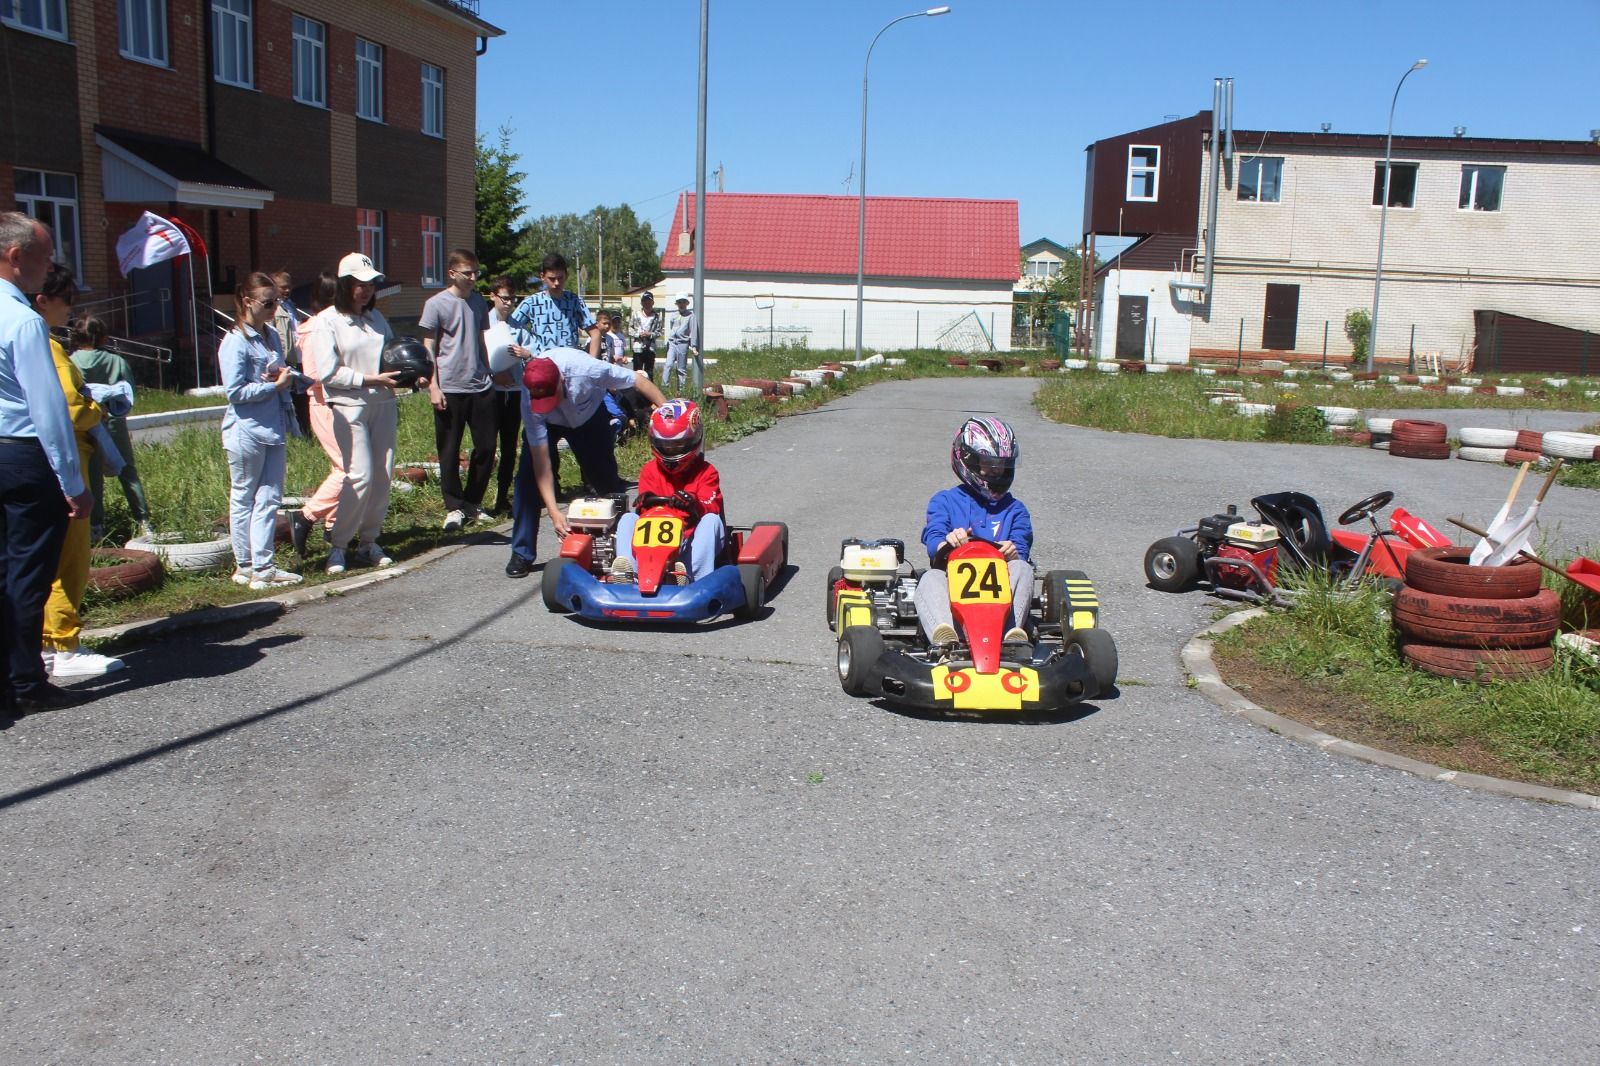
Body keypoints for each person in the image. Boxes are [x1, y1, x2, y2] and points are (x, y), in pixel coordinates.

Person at [0, 212, 93, 713]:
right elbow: (48, 407)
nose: (49, 267)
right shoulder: (21, 320)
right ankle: (26, 682)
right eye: (43, 256)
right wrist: (72, 481)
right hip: (21, 454)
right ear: (16, 258)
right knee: (29, 573)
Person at [32, 263, 125, 679]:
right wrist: (97, 406)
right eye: (66, 299)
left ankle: (48, 642)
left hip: (39, 459)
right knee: (70, 558)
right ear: (43, 300)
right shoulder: (45, 345)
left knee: (45, 557)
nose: (70, 308)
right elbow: (70, 405)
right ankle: (62, 645)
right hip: (67, 459)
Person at [298, 252, 413, 575]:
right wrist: (367, 379)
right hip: (349, 406)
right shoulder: (327, 322)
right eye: (359, 285)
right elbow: (327, 372)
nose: (366, 291)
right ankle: (338, 544)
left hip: (383, 404)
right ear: (345, 285)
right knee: (358, 474)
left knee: (383, 474)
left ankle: (369, 541)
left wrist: (410, 373)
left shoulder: (377, 320)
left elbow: (392, 356)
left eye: (371, 284)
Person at [511, 348, 667, 576]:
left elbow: (639, 382)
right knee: (526, 481)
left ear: (562, 380)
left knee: (607, 482)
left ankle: (627, 545)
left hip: (589, 417)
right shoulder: (529, 394)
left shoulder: (587, 369)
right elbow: (541, 462)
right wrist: (554, 512)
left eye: (551, 398)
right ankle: (521, 553)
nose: (550, 403)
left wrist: (671, 415)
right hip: (549, 424)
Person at [500, 252, 603, 578]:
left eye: (561, 277)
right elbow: (508, 332)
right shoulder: (531, 304)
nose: (557, 283)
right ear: (542, 277)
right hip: (542, 391)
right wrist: (520, 358)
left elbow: (594, 332)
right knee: (529, 476)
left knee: (601, 471)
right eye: (551, 278)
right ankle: (522, 552)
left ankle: (610, 544)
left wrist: (591, 365)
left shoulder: (574, 301)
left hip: (571, 389)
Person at [219, 271, 308, 590]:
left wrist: (284, 378)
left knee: (270, 497)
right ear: (247, 302)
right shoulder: (235, 341)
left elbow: (273, 373)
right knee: (244, 496)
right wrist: (272, 386)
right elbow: (235, 393)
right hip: (246, 430)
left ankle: (261, 565)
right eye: (268, 303)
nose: (274, 310)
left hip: (273, 425)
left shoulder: (270, 335)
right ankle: (249, 566)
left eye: (277, 302)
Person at [914, 416, 1034, 647]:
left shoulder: (1016, 510)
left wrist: (1013, 554)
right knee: (930, 577)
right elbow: (934, 539)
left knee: (1022, 568)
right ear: (967, 460)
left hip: (1002, 601)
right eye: (989, 464)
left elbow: (1022, 549)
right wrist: (948, 543)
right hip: (952, 592)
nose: (997, 471)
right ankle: (945, 637)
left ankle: (1011, 638)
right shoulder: (945, 501)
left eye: (1002, 465)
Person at [420, 249, 495, 532]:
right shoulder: (436, 304)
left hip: (480, 385)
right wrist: (433, 386)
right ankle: (453, 506)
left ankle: (473, 502)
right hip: (449, 386)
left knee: (487, 446)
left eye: (477, 273)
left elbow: (480, 341)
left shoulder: (477, 302)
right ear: (452, 273)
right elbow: (429, 346)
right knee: (449, 450)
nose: (474, 278)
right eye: (468, 273)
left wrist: (489, 371)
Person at [610, 400, 723, 583]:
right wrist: (644, 503)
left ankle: (693, 578)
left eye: (678, 445)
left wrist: (693, 503)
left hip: (690, 538)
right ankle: (630, 573)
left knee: (711, 521)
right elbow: (645, 516)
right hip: (655, 544)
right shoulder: (649, 470)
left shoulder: (706, 472)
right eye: (665, 445)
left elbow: (712, 507)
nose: (670, 450)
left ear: (693, 440)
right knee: (628, 518)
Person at [68, 315, 152, 539]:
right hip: (113, 423)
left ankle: (96, 527)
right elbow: (129, 394)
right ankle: (143, 520)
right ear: (103, 336)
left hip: (85, 425)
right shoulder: (117, 361)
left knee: (92, 475)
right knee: (127, 471)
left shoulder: (71, 362)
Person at [288, 272, 340, 556]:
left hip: (341, 402)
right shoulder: (314, 328)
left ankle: (333, 524)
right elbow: (313, 375)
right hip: (324, 403)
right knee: (350, 469)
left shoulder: (336, 323)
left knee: (341, 468)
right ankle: (306, 516)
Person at [663, 293, 696, 395]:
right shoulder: (674, 315)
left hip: (683, 343)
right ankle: (665, 388)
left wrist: (694, 346)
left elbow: (693, 331)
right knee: (668, 365)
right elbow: (672, 327)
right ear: (676, 304)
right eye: (679, 302)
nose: (681, 304)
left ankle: (681, 391)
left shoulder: (691, 316)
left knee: (681, 369)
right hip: (672, 343)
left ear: (687, 303)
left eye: (683, 302)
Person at [629, 292, 660, 377]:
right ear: (642, 303)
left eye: (649, 301)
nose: (647, 303)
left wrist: (650, 334)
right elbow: (630, 329)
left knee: (649, 373)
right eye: (645, 301)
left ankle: (649, 389)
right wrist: (638, 334)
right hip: (638, 348)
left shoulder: (656, 316)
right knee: (637, 372)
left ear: (653, 302)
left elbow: (659, 332)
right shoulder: (636, 315)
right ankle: (636, 390)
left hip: (650, 348)